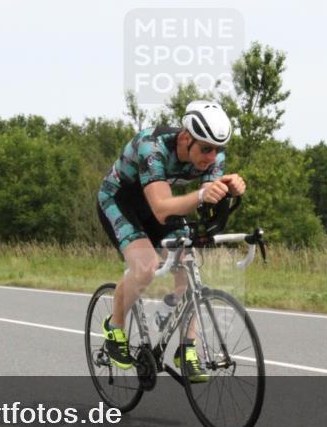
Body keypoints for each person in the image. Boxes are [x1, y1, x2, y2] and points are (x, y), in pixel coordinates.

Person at [96, 101, 246, 380]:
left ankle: (187, 349)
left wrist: (228, 190)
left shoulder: (212, 155)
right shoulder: (152, 147)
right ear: (186, 137)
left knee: (188, 266)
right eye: (206, 149)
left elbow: (206, 199)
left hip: (158, 202)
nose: (212, 157)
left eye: (218, 150)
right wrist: (202, 195)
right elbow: (163, 207)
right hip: (120, 200)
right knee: (146, 265)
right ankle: (114, 327)